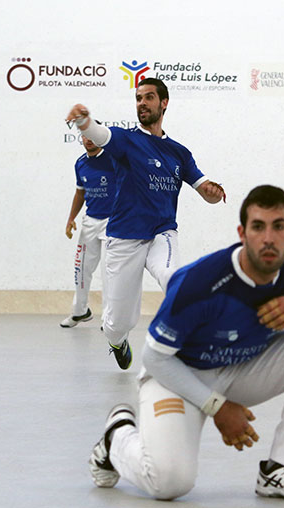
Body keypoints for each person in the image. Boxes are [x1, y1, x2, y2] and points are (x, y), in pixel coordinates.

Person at [87, 185, 284, 502]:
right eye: (258, 227)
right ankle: (118, 436)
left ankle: (283, 468)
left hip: (243, 369)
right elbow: (154, 357)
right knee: (169, 482)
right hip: (178, 378)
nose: (269, 239)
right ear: (242, 233)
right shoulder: (200, 281)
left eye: (279, 226)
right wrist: (216, 406)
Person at [65, 78, 226, 369]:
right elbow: (101, 135)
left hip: (161, 233)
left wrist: (212, 193)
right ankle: (117, 340)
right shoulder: (127, 141)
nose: (142, 103)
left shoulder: (180, 152)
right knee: (118, 322)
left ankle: (193, 340)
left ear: (163, 103)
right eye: (138, 98)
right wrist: (84, 121)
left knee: (172, 276)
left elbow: (205, 190)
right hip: (124, 238)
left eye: (149, 97)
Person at [60, 135, 116, 328]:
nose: (89, 139)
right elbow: (80, 192)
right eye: (85, 136)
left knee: (108, 272)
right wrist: (70, 218)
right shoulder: (80, 163)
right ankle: (80, 311)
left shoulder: (113, 158)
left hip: (113, 223)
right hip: (90, 222)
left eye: (92, 135)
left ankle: (109, 319)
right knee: (81, 269)